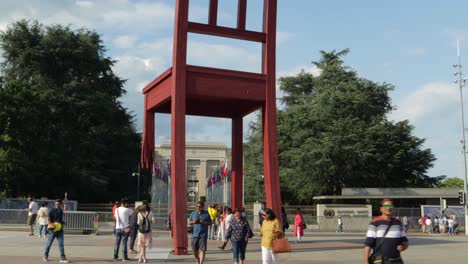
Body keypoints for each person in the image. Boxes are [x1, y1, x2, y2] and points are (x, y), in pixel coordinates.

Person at [364, 198, 408, 264]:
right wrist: (365, 261)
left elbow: (405, 241)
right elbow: (368, 244)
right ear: (381, 209)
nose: (388, 208)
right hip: (380, 261)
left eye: (391, 206)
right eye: (386, 206)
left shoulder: (398, 223)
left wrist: (403, 247)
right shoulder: (375, 222)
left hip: (396, 260)